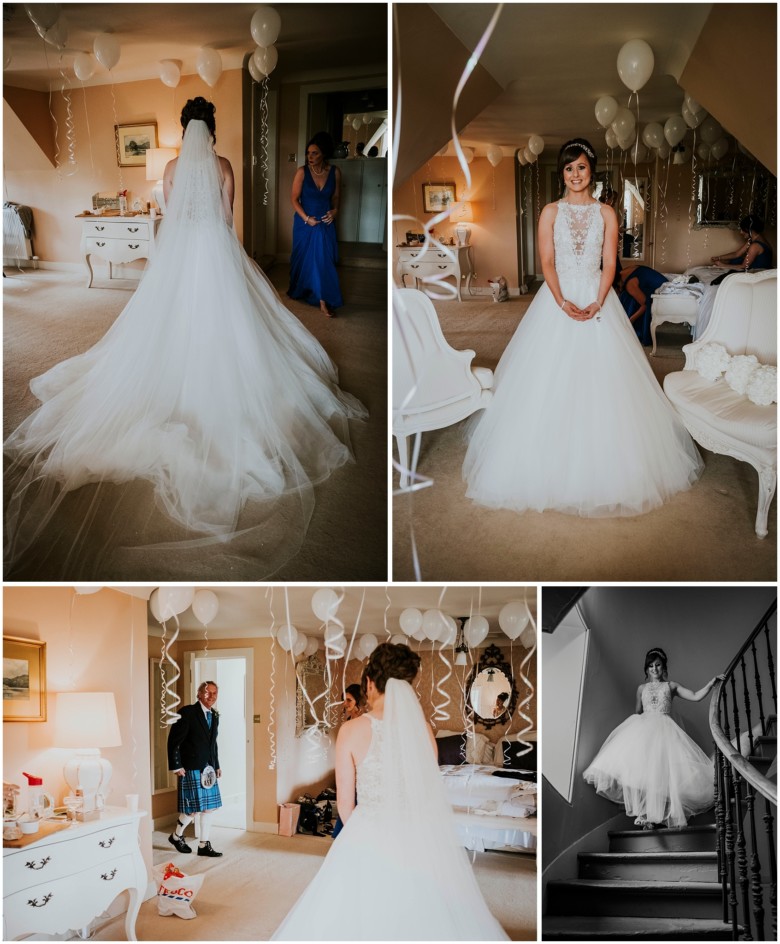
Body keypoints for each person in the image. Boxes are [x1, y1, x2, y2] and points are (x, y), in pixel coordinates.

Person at [4, 99, 366, 579]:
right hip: (214, 250)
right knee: (237, 323)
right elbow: (226, 216)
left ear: (183, 129)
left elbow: (171, 216)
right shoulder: (223, 165)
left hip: (184, 252)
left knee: (166, 324)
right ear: (212, 129)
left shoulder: (173, 167)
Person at [463, 139, 703, 517]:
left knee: (608, 377)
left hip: (597, 296)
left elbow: (610, 263)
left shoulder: (606, 213)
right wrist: (560, 301)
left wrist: (598, 299)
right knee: (544, 376)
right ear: (563, 174)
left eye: (582, 168)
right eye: (569, 169)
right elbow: (547, 261)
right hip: (558, 299)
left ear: (592, 171)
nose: (575, 175)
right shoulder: (550, 212)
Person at [272, 643, 508, 940]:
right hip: (415, 834)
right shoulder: (423, 729)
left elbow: (345, 806)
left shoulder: (351, 730)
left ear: (369, 683)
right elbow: (427, 793)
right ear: (408, 685)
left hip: (368, 833)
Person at [583, 648, 723, 829]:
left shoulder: (671, 686)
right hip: (645, 730)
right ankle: (646, 815)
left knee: (662, 774)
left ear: (663, 667)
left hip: (666, 731)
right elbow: (638, 711)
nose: (654, 669)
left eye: (657, 665)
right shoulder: (641, 688)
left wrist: (711, 684)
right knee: (644, 773)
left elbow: (695, 696)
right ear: (646, 669)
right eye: (651, 666)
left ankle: (654, 816)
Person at [289, 132, 343, 317]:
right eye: (308, 153)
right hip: (305, 222)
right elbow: (294, 199)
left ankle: (322, 299)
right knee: (304, 259)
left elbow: (336, 198)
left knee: (322, 260)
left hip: (325, 222)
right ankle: (305, 289)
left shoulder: (335, 172)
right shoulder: (301, 172)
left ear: (324, 154)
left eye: (315, 153)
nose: (310, 157)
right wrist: (306, 218)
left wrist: (335, 211)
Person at [167, 680, 223, 857]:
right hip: (191, 767)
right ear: (199, 694)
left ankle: (203, 845)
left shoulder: (214, 715)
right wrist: (176, 765)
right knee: (192, 809)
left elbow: (212, 744)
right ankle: (176, 836)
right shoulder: (187, 712)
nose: (211, 696)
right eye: (207, 693)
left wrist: (217, 765)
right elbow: (174, 741)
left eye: (214, 693)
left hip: (208, 769)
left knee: (208, 808)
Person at [330, 682, 366, 840]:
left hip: (361, 773)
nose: (345, 704)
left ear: (359, 701)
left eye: (349, 700)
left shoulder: (365, 723)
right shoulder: (347, 723)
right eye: (344, 700)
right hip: (349, 770)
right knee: (346, 808)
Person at [710, 215, 773, 284]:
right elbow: (737, 254)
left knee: (729, 274)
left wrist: (723, 265)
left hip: (759, 273)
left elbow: (743, 266)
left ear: (750, 230)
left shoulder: (755, 246)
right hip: (755, 268)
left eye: (743, 230)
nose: (741, 232)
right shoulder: (754, 239)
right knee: (735, 260)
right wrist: (719, 258)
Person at [617, 264, 669, 346]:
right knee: (627, 295)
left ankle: (636, 331)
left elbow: (645, 305)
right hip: (662, 281)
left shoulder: (630, 284)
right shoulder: (624, 271)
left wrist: (631, 320)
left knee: (628, 298)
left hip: (662, 288)